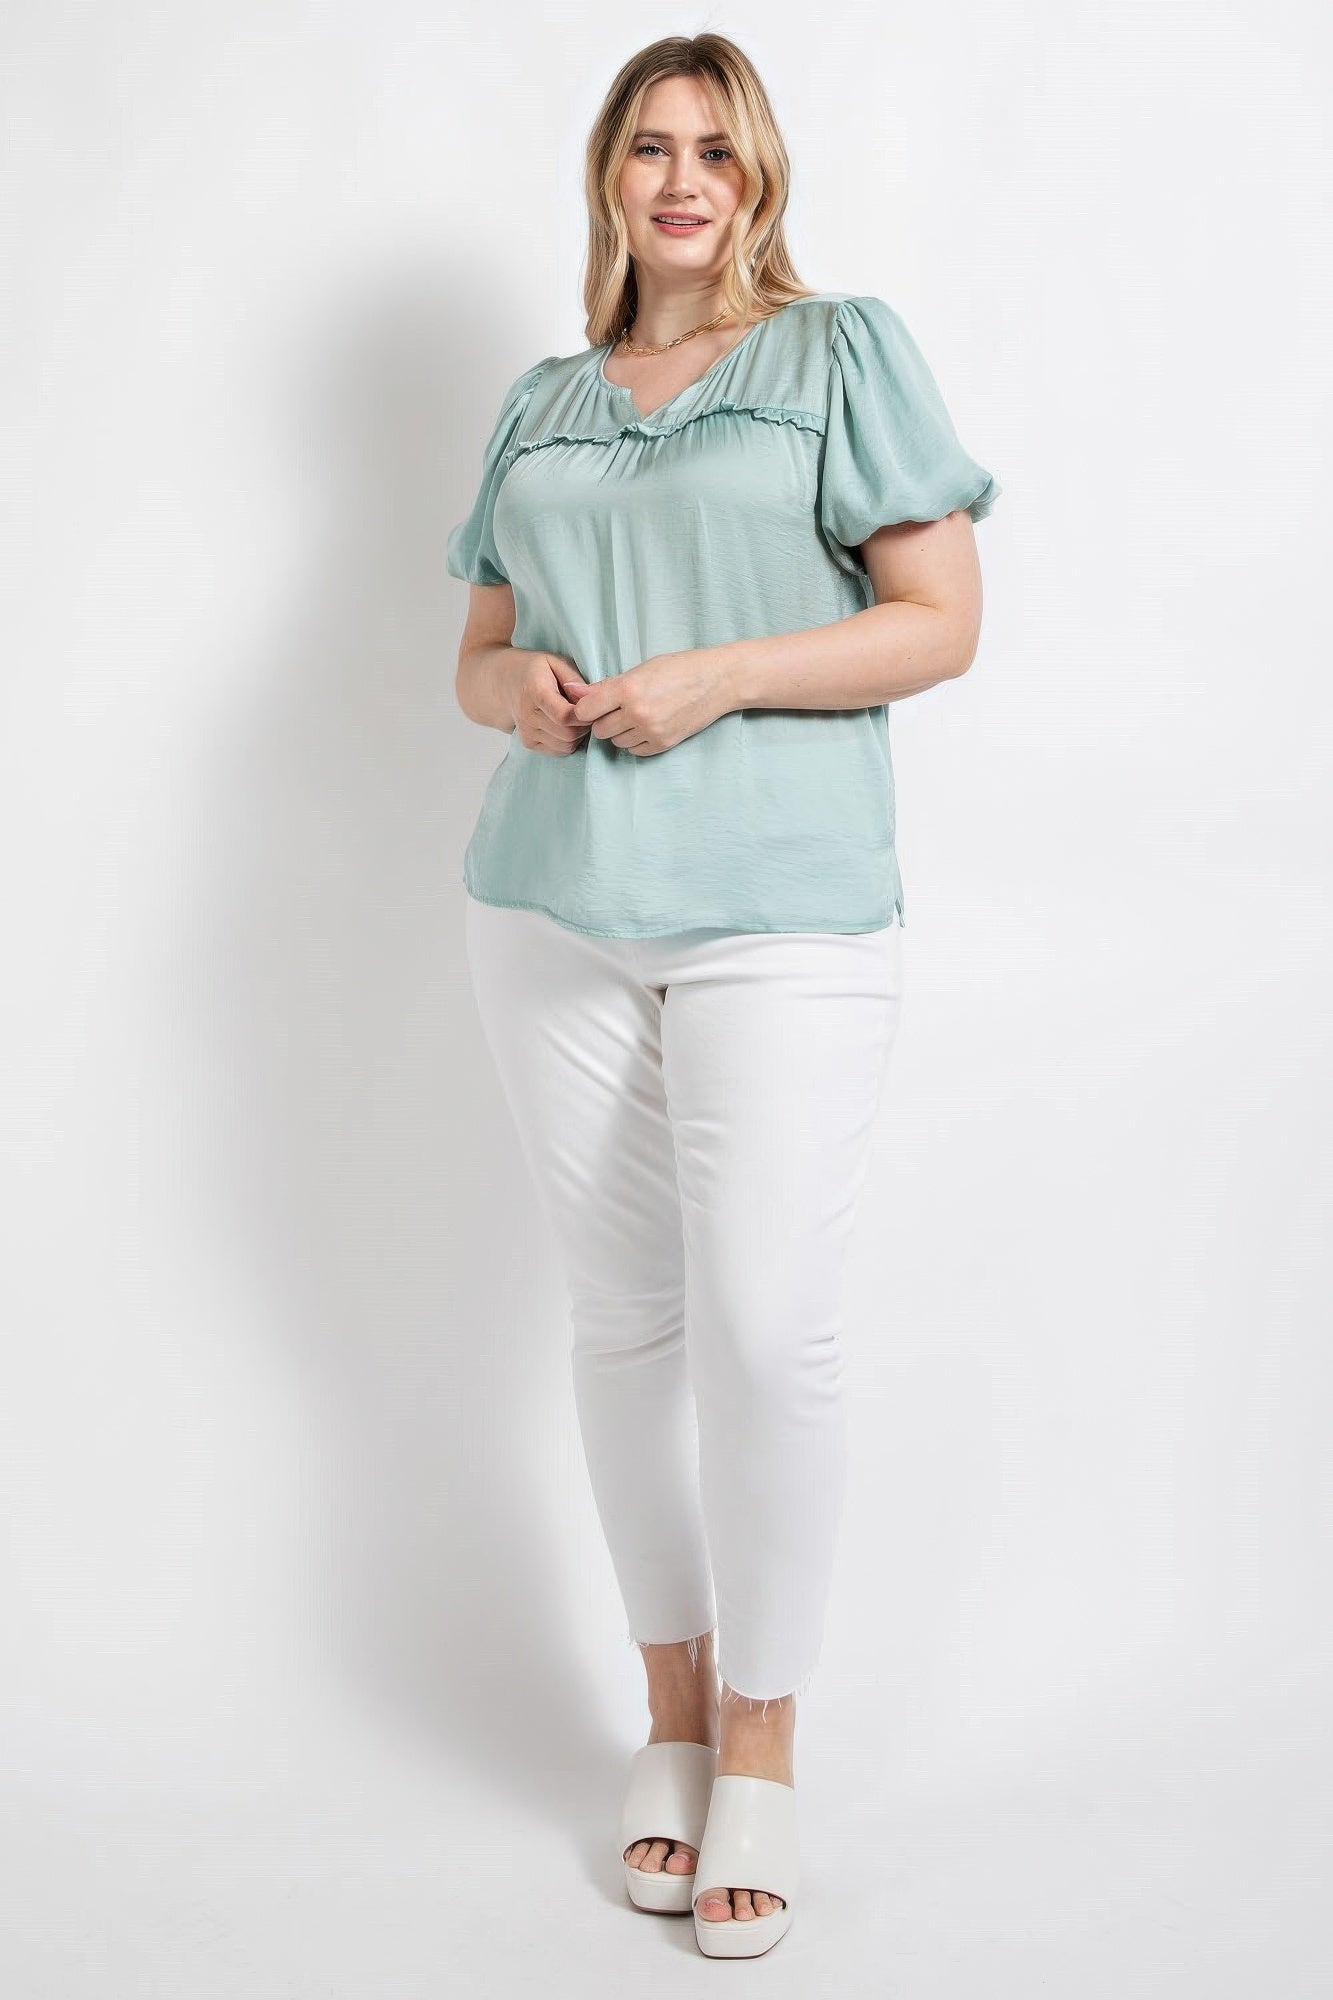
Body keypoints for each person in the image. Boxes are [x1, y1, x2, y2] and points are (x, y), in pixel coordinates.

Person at [446, 33, 1000, 1961]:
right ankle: (670, 1714)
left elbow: (940, 623)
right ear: (608, 176)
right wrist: (516, 693)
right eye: (648, 148)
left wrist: (721, 675)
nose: (680, 180)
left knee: (764, 1329)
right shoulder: (540, 402)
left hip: (776, 911)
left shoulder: (839, 355)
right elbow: (476, 647)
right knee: (625, 1327)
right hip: (550, 907)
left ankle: (763, 1729)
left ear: (758, 178)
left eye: (716, 149)